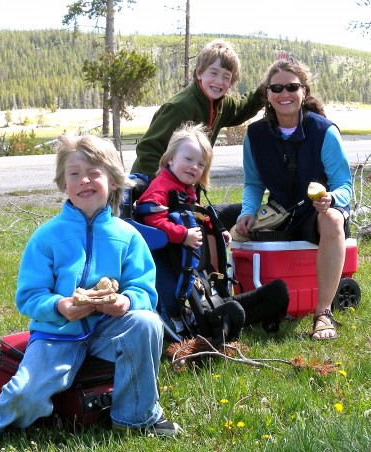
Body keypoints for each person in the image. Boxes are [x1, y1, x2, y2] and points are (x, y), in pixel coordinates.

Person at [0, 135, 181, 439]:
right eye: (75, 174)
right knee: (25, 397)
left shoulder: (128, 236)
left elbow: (144, 291)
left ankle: (136, 418)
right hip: (56, 335)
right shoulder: (47, 237)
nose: (85, 180)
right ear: (64, 184)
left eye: (95, 172)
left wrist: (126, 302)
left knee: (147, 322)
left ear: (113, 180)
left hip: (108, 331)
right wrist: (59, 306)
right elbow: (29, 297)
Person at [233, 58, 352, 341]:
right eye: (276, 88)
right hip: (279, 214)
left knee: (334, 219)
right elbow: (253, 184)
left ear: (304, 91)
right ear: (268, 94)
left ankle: (323, 312)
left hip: (317, 215)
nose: (284, 93)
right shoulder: (255, 135)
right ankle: (232, 302)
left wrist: (331, 199)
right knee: (221, 223)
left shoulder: (324, 132)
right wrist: (248, 212)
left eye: (291, 86)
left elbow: (344, 185)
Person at [130, 39, 265, 230]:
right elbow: (148, 149)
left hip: (182, 194)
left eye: (226, 77)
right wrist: (168, 189)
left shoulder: (219, 104)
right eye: (214, 73)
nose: (219, 81)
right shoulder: (180, 107)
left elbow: (243, 108)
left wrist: (266, 88)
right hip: (154, 198)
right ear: (199, 73)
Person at [135, 122, 227, 335]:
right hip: (162, 254)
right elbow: (153, 222)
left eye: (201, 164)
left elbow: (197, 213)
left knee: (188, 283)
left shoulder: (185, 188)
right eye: (188, 159)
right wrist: (183, 235)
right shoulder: (161, 187)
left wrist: (216, 231)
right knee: (169, 288)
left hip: (180, 253)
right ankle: (174, 323)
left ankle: (190, 315)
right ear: (170, 158)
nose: (194, 167)